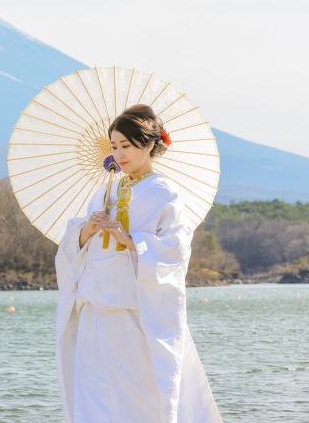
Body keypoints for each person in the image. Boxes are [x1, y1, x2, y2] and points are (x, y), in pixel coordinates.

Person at [54, 104, 222, 423]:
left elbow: (175, 249)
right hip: (94, 303)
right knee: (94, 388)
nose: (119, 154)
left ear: (148, 145)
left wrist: (129, 239)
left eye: (126, 146)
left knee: (137, 390)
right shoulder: (107, 189)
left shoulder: (165, 193)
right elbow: (72, 248)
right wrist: (87, 230)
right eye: (114, 147)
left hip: (133, 307)